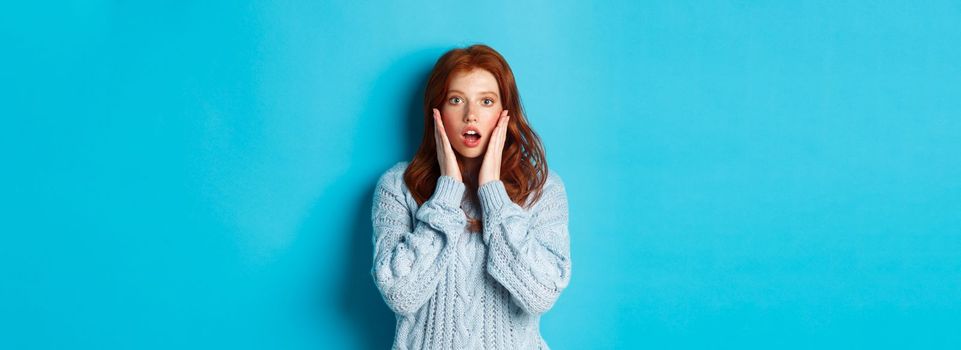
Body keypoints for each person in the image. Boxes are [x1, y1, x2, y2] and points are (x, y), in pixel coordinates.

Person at [370, 44, 571, 349]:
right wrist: (447, 191)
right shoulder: (398, 186)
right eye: (456, 100)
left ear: (505, 113)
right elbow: (400, 294)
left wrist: (492, 192)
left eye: (486, 101)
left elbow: (540, 295)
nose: (471, 115)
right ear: (436, 110)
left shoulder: (542, 188)